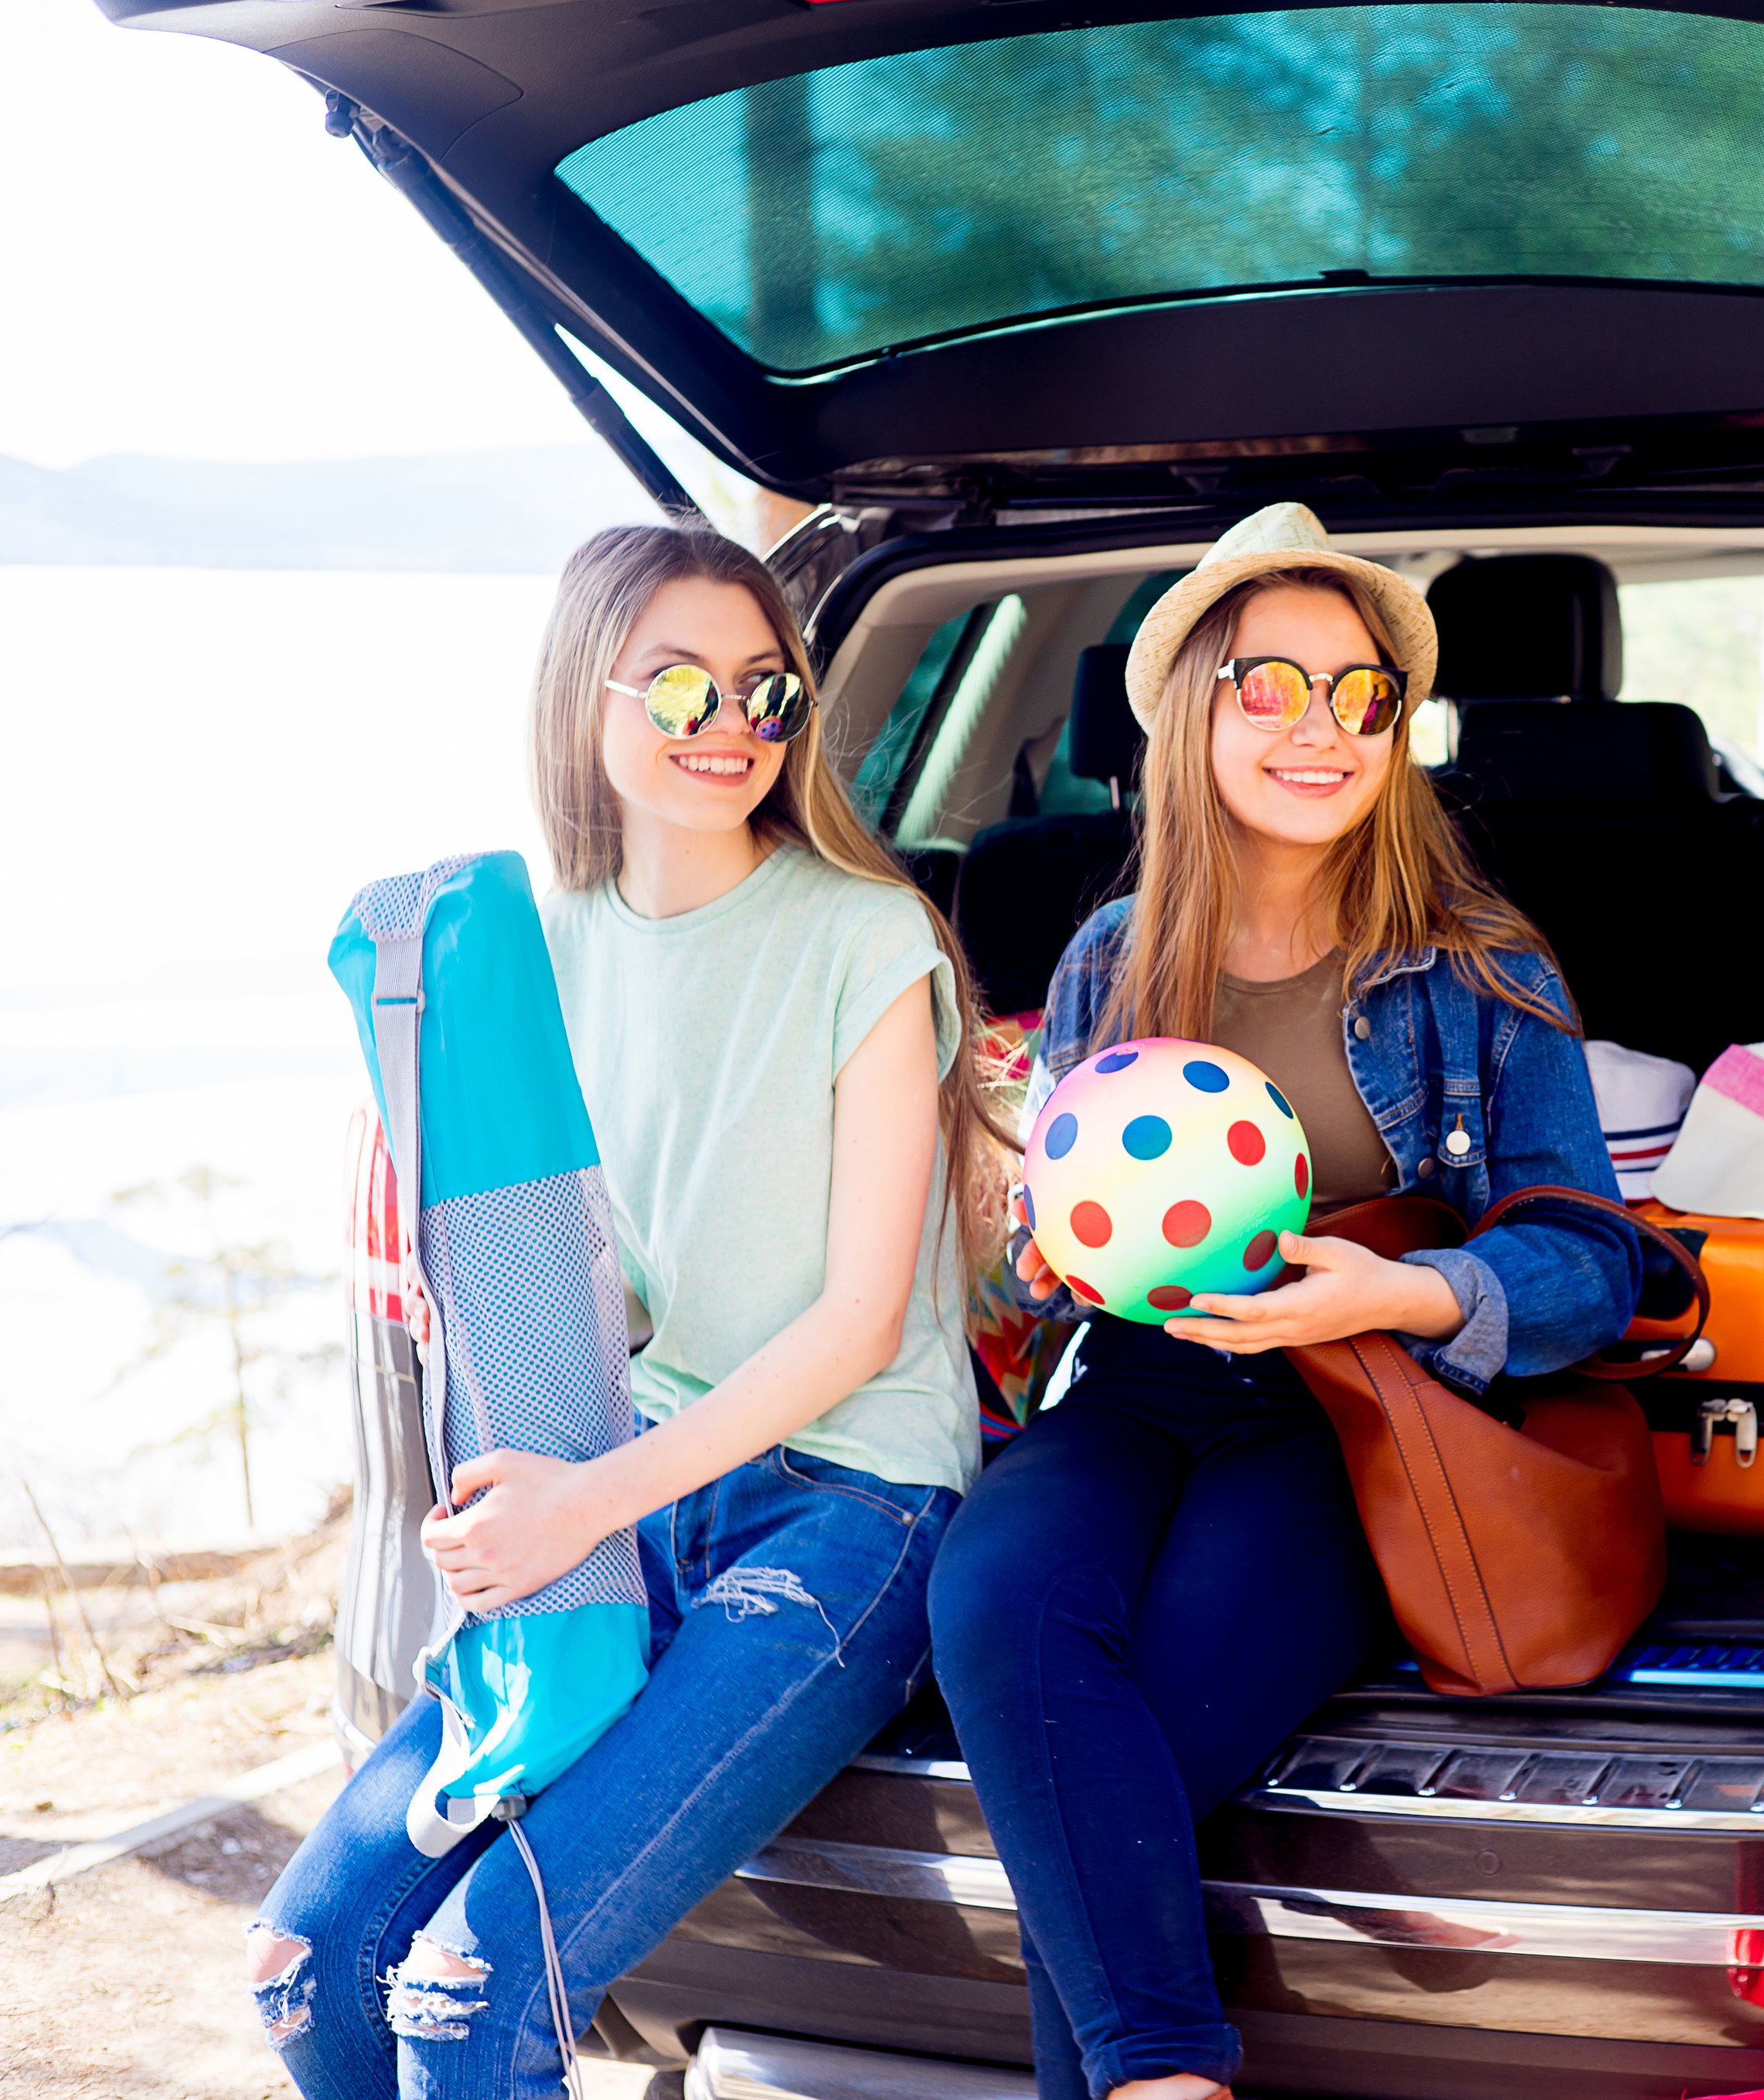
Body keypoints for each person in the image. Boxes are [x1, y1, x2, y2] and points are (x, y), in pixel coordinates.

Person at [250, 526, 1013, 2097]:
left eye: (762, 690)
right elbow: (562, 1294)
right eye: (674, 680)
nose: (724, 720)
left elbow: (863, 1324)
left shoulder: (862, 937)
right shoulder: (539, 962)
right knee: (311, 1974)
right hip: (627, 1486)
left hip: (843, 1504)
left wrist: (582, 1504)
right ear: (581, 694)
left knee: (467, 1998)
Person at [927, 502, 1642, 2100]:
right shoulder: (1115, 952)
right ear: (1191, 707)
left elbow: (1599, 1268)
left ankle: (1156, 2073)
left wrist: (1397, 1287)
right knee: (991, 1608)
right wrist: (1039, 1243)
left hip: (1349, 1415)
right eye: (1272, 687)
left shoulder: (1479, 969)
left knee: (1118, 1777)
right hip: (1133, 1384)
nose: (1321, 729)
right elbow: (1058, 1258)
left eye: (1361, 694)